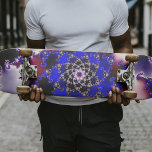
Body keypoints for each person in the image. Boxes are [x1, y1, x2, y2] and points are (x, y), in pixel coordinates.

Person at [19, 0, 140, 151]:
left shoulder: (114, 2)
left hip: (101, 106)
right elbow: (36, 57)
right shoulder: (36, 5)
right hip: (55, 109)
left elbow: (122, 45)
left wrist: (123, 86)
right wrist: (32, 86)